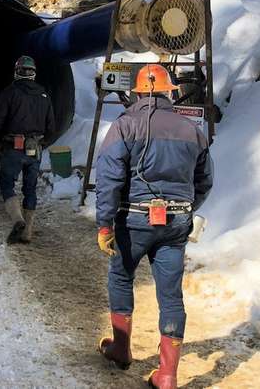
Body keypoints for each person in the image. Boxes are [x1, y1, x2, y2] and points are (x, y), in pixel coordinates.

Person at [94, 64, 213, 389]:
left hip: (133, 220)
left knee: (121, 275)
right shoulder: (192, 130)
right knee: (171, 295)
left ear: (138, 92)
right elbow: (205, 180)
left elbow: (108, 180)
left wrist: (105, 224)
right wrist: (185, 209)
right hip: (175, 223)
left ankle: (120, 349)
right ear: (168, 92)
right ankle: (168, 376)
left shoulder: (125, 126)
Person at [0, 56, 55, 244]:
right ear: (34, 72)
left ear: (17, 72)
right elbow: (52, 126)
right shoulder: (44, 94)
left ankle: (18, 219)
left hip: (13, 146)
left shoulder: (9, 93)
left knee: (6, 183)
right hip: (35, 148)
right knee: (30, 188)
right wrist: (42, 143)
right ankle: (28, 231)